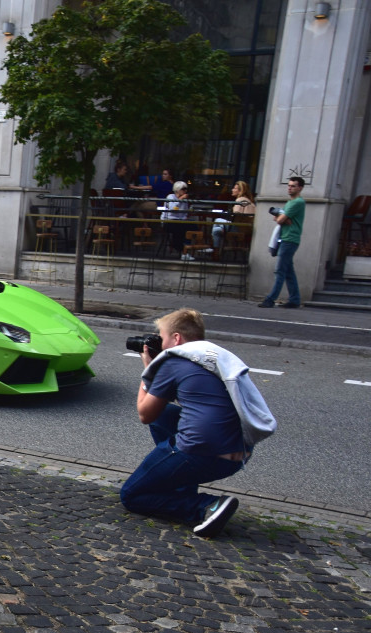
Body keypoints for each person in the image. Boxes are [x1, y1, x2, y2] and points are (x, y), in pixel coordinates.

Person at [121, 308, 275, 539]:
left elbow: (145, 413)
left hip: (201, 453)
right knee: (166, 415)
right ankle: (181, 486)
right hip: (237, 455)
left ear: (176, 338)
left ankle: (207, 506)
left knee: (132, 495)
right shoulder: (212, 358)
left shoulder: (172, 362)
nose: (160, 345)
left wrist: (149, 370)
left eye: (162, 338)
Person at [259, 176, 306, 309]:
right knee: (288, 271)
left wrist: (282, 218)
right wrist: (283, 218)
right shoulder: (290, 202)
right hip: (285, 238)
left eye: (293, 186)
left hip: (290, 239)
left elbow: (279, 220)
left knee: (280, 270)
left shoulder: (298, 202)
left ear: (300, 188)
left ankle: (270, 299)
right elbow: (279, 218)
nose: (290, 188)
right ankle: (295, 299)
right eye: (289, 185)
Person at [212, 181, 255, 250]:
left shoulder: (240, 200)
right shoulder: (249, 201)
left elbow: (235, 214)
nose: (232, 190)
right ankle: (216, 252)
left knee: (217, 220)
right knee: (217, 230)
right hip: (247, 229)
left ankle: (215, 250)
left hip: (239, 228)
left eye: (235, 188)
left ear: (241, 191)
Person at [161, 181, 193, 258]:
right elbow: (172, 208)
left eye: (186, 189)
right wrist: (180, 199)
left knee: (192, 226)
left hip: (180, 221)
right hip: (169, 221)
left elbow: (185, 212)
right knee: (180, 229)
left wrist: (185, 218)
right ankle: (183, 251)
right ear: (178, 190)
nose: (185, 191)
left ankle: (191, 248)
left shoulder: (185, 200)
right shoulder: (170, 197)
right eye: (183, 189)